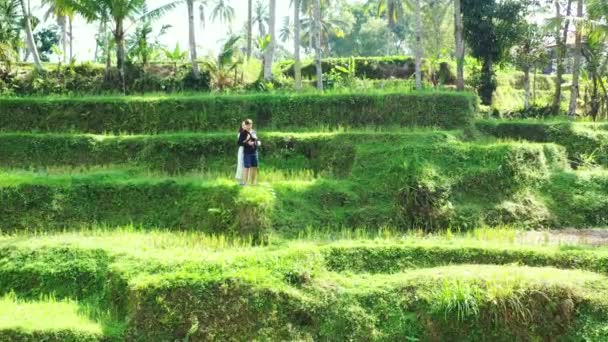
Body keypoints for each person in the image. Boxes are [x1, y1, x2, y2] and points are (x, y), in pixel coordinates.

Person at [238, 119, 261, 185]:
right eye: (247, 125)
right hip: (247, 152)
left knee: (254, 167)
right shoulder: (243, 133)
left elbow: (257, 140)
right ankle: (245, 183)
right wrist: (247, 141)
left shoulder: (254, 132)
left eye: (250, 124)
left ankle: (253, 183)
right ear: (245, 125)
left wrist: (255, 143)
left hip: (254, 152)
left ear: (251, 124)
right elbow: (239, 143)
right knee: (247, 167)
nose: (249, 126)